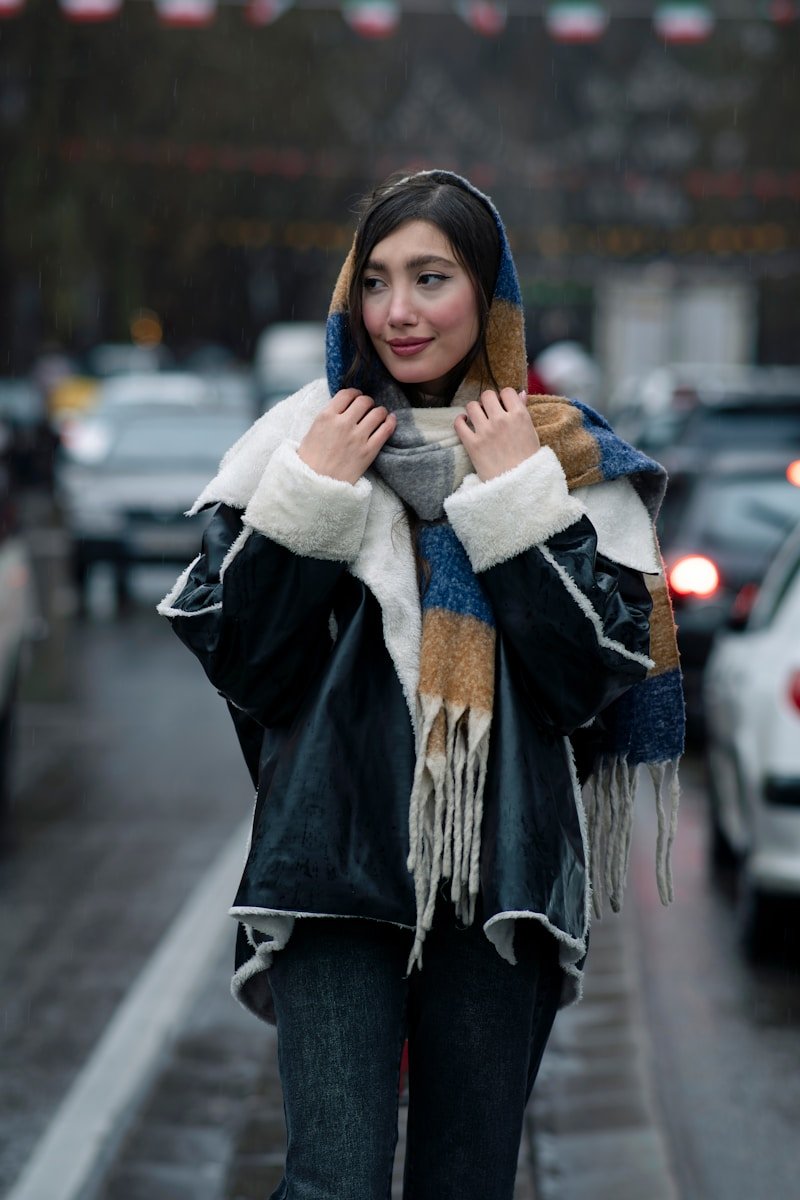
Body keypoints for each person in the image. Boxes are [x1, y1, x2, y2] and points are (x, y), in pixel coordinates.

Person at [158, 169, 684, 1200]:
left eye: (431, 278)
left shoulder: (561, 453)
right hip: (327, 872)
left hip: (501, 884)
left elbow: (584, 680)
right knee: (332, 1182)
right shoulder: (294, 443)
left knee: (465, 1183)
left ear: (487, 297)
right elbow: (248, 664)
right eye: (377, 281)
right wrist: (312, 493)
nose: (397, 312)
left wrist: (513, 496)